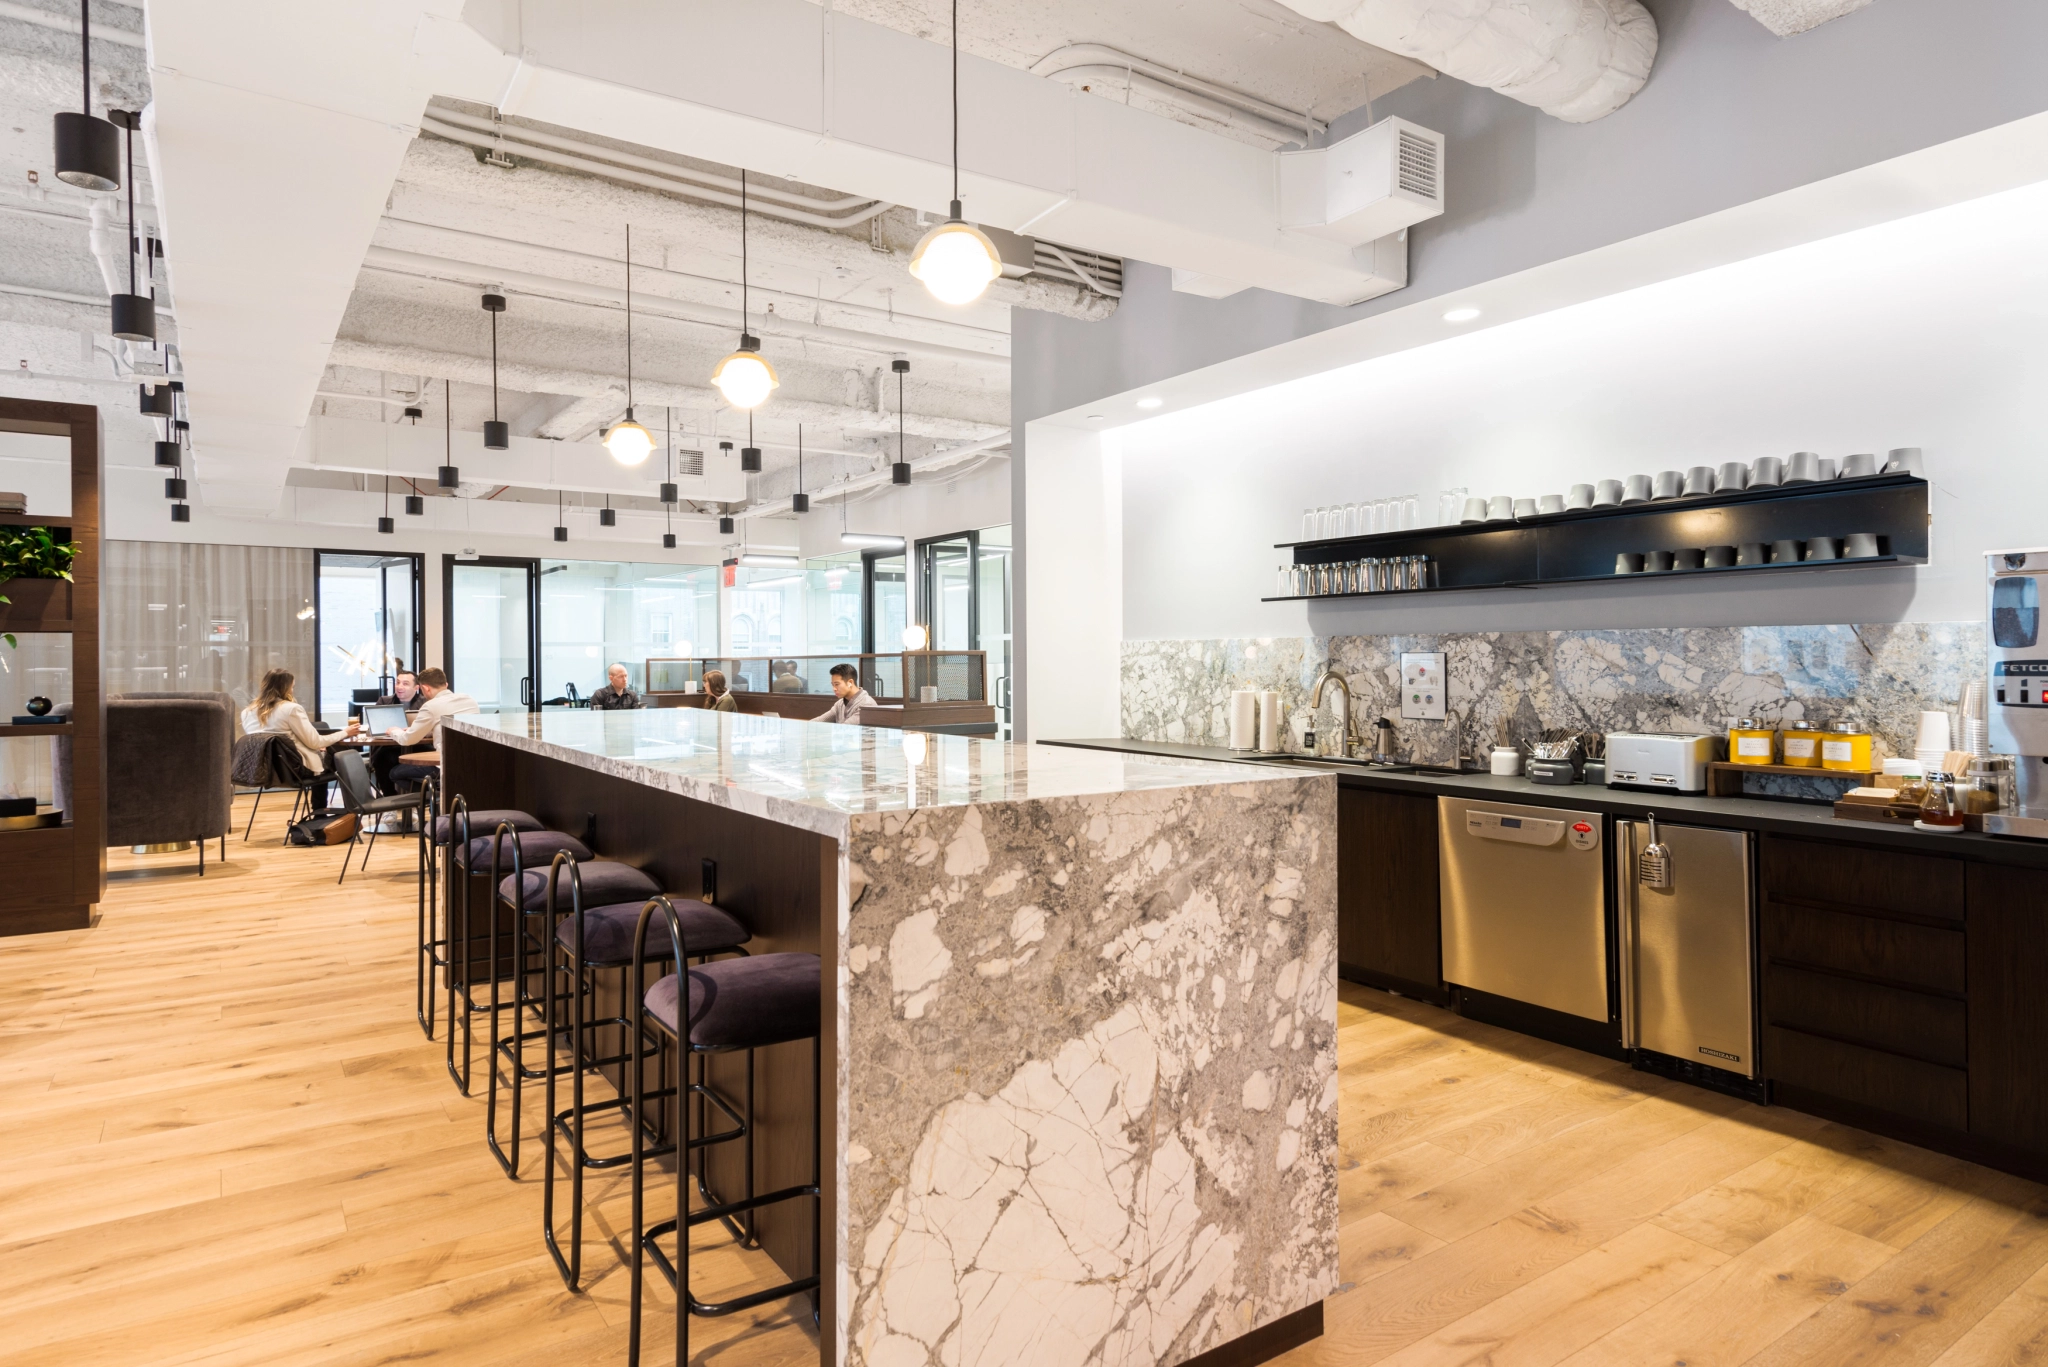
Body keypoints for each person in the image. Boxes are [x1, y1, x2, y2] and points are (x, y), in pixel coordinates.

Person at [240, 668, 359, 809]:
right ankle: (350, 812)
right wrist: (346, 732)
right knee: (344, 759)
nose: (292, 690)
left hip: (270, 770)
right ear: (286, 688)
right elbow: (316, 742)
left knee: (328, 757)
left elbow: (281, 741)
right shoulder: (291, 709)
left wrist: (313, 747)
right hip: (296, 770)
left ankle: (321, 814)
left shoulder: (247, 712)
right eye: (292, 687)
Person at [381, 666, 480, 801]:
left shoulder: (431, 706)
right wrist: (426, 731)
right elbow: (448, 726)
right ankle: (440, 796)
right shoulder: (470, 700)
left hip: (443, 766)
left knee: (395, 773)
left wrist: (394, 731)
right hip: (472, 764)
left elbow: (407, 740)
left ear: (425, 688)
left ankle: (436, 797)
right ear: (445, 685)